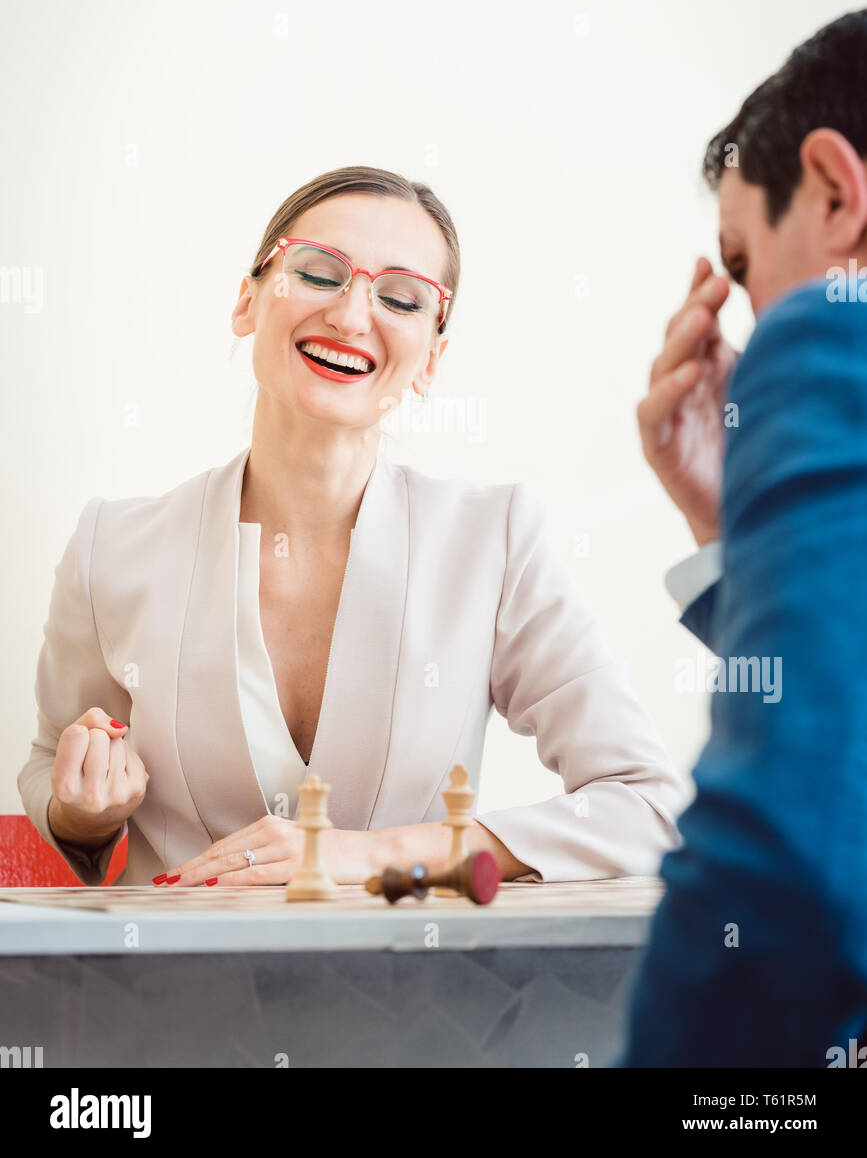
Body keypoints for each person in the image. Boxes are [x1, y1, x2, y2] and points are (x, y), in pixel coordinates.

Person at [19, 165, 685, 888]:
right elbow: (54, 775)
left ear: (431, 357)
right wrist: (82, 816)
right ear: (247, 299)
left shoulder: (493, 542)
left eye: (400, 297)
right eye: (318, 272)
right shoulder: (108, 548)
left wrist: (372, 854)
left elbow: (645, 806)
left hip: (411, 993)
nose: (350, 314)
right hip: (164, 993)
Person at [624, 9, 867, 1066]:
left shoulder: (824, 336)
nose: (747, 314)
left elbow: (791, 852)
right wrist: (727, 529)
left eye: (743, 260)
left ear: (834, 192)